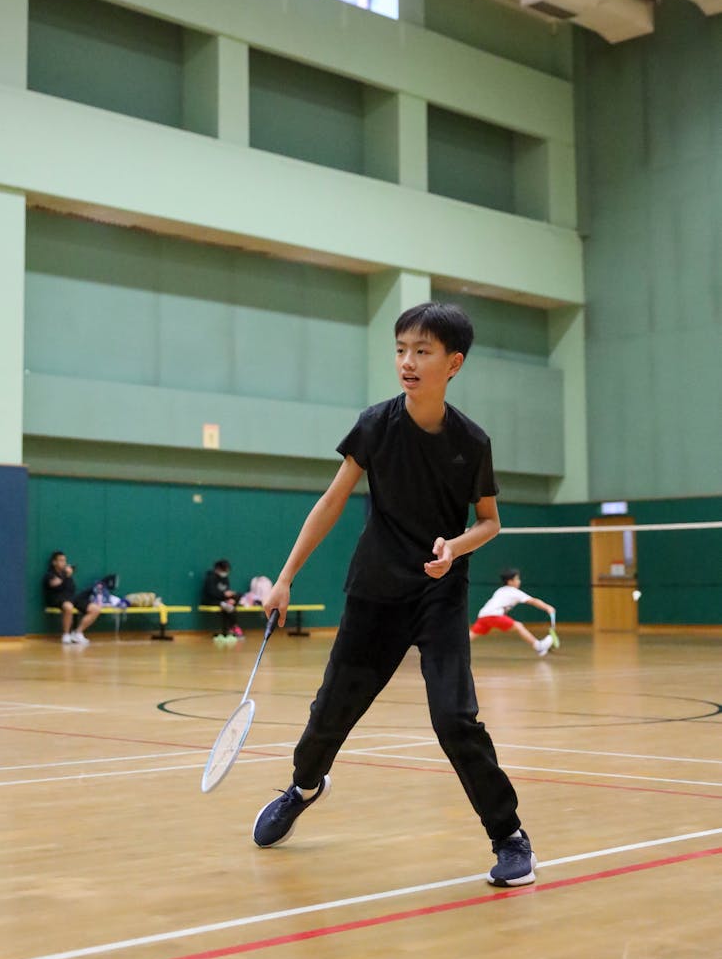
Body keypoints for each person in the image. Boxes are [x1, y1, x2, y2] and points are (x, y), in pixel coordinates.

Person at [251, 302, 539, 888]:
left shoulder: (470, 442)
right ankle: (305, 785)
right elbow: (331, 501)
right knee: (331, 712)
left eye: (423, 351)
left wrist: (454, 548)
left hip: (438, 595)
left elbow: (490, 522)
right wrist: (284, 578)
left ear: (453, 363)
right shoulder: (376, 425)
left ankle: (510, 836)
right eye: (402, 349)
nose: (407, 362)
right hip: (375, 591)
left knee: (455, 718)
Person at [470, 568, 556, 656]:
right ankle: (539, 646)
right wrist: (547, 607)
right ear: (510, 581)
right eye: (517, 579)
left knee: (472, 634)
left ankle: (456, 647)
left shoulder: (500, 590)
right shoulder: (514, 592)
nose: (519, 581)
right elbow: (533, 601)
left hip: (483, 615)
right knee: (518, 626)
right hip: (493, 615)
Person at [42, 551, 102, 646]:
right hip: (57, 599)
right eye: (61, 560)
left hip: (71, 598)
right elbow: (56, 584)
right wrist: (67, 575)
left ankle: (77, 633)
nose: (64, 563)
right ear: (54, 562)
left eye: (64, 560)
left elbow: (71, 589)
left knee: (95, 609)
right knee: (68, 606)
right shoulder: (50, 575)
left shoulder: (66, 574)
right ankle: (66, 635)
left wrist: (67, 576)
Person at [202, 559, 243, 639]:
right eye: (224, 570)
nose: (226, 572)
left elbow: (226, 591)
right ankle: (234, 627)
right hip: (211, 600)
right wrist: (223, 595)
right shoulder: (210, 578)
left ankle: (228, 630)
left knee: (232, 602)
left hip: (222, 601)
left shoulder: (225, 579)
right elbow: (211, 593)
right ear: (218, 569)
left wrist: (230, 597)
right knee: (228, 607)